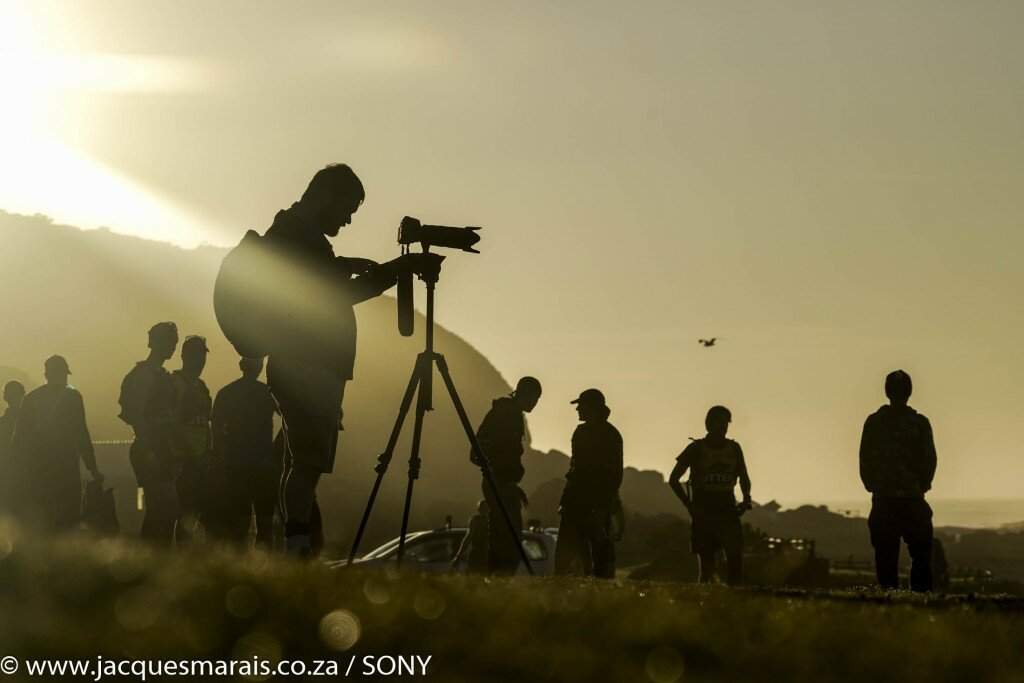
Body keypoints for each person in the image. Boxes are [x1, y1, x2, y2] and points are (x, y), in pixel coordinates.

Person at [260, 163, 422, 557]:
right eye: (348, 209)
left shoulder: (296, 232)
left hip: (303, 364)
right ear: (327, 196)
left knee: (302, 460)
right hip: (306, 364)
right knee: (309, 463)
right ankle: (298, 546)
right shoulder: (299, 235)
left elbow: (315, 281)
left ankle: (299, 544)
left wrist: (344, 264)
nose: (348, 220)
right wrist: (395, 271)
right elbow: (333, 295)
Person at [860, 369, 937, 592]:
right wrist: (922, 485)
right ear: (910, 392)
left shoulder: (874, 422)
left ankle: (889, 598)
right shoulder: (920, 423)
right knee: (921, 555)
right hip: (913, 498)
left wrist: (873, 485)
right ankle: (922, 598)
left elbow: (865, 458)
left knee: (885, 554)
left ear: (887, 392)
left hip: (884, 499)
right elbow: (929, 459)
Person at [11, 356, 102, 531]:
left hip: (38, 467)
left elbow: (19, 437)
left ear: (46, 373)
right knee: (69, 514)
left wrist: (19, 467)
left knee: (42, 513)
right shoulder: (73, 396)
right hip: (66, 465)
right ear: (65, 374)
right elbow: (82, 433)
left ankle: (44, 551)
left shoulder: (30, 398)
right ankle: (65, 552)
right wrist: (92, 467)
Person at [668, 405, 752, 585]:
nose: (722, 426)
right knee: (707, 567)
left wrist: (746, 498)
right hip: (703, 511)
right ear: (708, 425)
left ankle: (734, 602)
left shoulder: (734, 448)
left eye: (725, 422)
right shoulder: (695, 448)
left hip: (728, 510)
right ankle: (704, 603)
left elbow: (744, 476)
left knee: (735, 561)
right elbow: (674, 479)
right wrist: (689, 506)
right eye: (717, 422)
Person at [473, 376, 542, 575]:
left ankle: (497, 579)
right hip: (500, 482)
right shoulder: (507, 414)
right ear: (524, 394)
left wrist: (512, 482)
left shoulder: (510, 413)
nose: (534, 404)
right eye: (534, 398)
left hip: (502, 481)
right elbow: (500, 452)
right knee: (507, 538)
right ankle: (500, 579)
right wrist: (503, 480)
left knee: (502, 534)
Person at [119, 322, 180, 546]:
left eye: (173, 342)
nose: (171, 346)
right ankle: (150, 556)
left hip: (161, 445)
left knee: (166, 509)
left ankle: (157, 555)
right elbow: (135, 415)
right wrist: (148, 452)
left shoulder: (160, 374)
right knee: (161, 507)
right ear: (154, 341)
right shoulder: (144, 374)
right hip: (149, 445)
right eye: (167, 341)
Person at [209, 357, 279, 549]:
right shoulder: (268, 393)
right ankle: (264, 566)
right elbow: (289, 415)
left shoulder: (227, 393)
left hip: (237, 465)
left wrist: (220, 455)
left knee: (240, 524)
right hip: (262, 465)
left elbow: (215, 427)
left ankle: (240, 565)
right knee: (264, 525)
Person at [554, 389, 623, 578]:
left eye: (580, 405)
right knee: (563, 553)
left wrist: (601, 508)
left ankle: (601, 593)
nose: (577, 409)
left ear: (591, 408)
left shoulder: (611, 435)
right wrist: (565, 500)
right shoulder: (580, 432)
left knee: (599, 554)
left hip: (596, 504)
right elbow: (575, 468)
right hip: (574, 500)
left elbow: (614, 476)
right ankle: (560, 584)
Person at [170, 335, 213, 548]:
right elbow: (173, 424)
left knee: (196, 513)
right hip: (182, 459)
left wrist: (208, 451)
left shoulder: (201, 386)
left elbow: (207, 424)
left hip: (200, 460)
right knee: (184, 513)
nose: (201, 362)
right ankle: (183, 559)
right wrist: (193, 455)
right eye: (197, 356)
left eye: (203, 356)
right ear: (185, 356)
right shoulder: (178, 383)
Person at [0, 380, 26, 515]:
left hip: (5, 479)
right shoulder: (32, 424)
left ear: (5, 398)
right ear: (23, 395)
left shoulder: (2, 423)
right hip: (27, 479)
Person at [450, 499, 489, 574]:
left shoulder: (476, 521)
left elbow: (468, 538)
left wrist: (458, 557)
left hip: (478, 555)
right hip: (483, 556)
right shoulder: (494, 521)